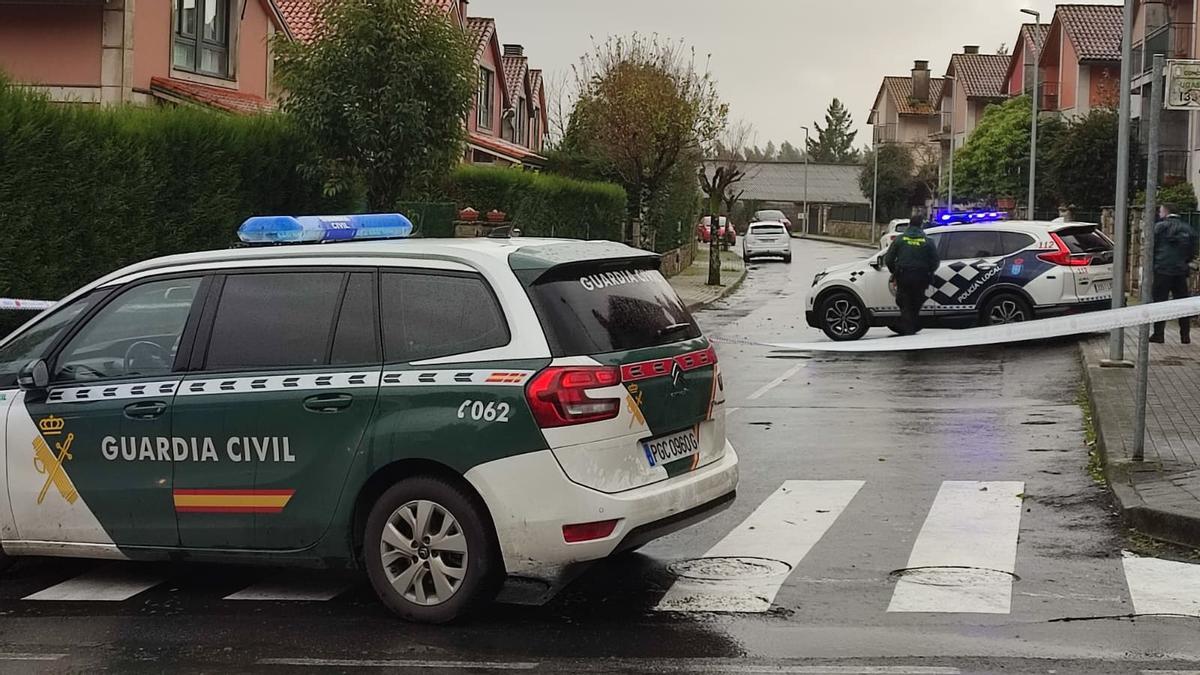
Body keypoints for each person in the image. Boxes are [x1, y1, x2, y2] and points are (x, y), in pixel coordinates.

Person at [1150, 203, 1199, 344]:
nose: (1159, 214)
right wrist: (1184, 262)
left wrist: (1154, 263)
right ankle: (1185, 336)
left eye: (1160, 211)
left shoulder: (1159, 227)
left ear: (1165, 212)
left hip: (1162, 270)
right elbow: (1193, 250)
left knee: (1159, 303)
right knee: (1182, 304)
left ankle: (1158, 334)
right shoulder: (1188, 229)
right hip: (1180, 272)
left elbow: (1152, 247)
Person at [883, 215, 940, 336]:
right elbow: (935, 261)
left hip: (904, 276)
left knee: (904, 303)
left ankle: (908, 330)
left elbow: (888, 260)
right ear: (921, 225)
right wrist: (929, 271)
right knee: (916, 302)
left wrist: (895, 272)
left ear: (909, 225)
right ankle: (911, 328)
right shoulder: (928, 241)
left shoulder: (899, 240)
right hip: (921, 277)